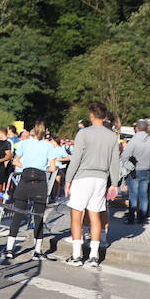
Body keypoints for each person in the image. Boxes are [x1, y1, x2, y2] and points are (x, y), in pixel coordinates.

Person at [64, 102, 122, 268]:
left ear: (91, 115)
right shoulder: (112, 136)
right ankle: (94, 256)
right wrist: (115, 183)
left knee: (77, 215)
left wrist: (68, 179)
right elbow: (114, 161)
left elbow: (76, 158)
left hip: (82, 176)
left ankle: (76, 255)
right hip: (101, 178)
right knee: (95, 215)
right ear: (104, 117)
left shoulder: (83, 133)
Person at [5, 121, 58, 260]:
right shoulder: (49, 146)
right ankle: (37, 251)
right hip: (40, 181)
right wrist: (41, 168)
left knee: (18, 214)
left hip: (25, 178)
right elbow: (52, 168)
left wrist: (26, 166)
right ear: (45, 131)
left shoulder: (25, 143)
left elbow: (15, 161)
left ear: (33, 130)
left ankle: (9, 249)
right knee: (38, 216)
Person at [121, 120, 150, 225]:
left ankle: (131, 218)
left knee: (133, 195)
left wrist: (127, 166)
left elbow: (125, 156)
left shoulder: (133, 141)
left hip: (134, 170)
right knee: (143, 195)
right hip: (146, 169)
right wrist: (147, 163)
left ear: (137, 128)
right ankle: (142, 218)